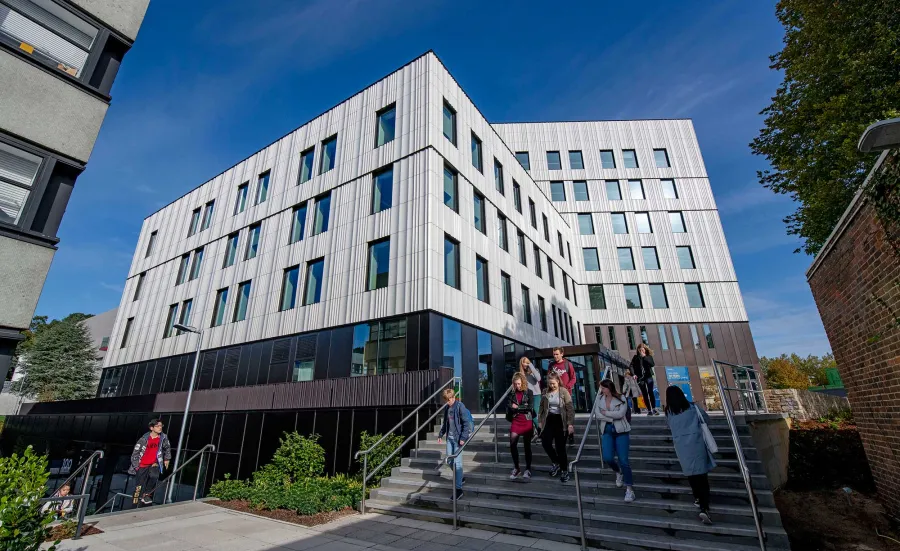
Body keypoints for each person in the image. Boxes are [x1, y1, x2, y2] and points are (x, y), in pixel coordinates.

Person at [664, 385, 717, 525]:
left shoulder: (669, 412)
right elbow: (706, 419)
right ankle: (704, 507)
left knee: (692, 475)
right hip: (697, 444)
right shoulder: (693, 408)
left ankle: (698, 498)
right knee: (702, 476)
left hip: (682, 447)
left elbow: (669, 426)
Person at [594, 379, 635, 502]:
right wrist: (611, 415)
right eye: (601, 388)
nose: (602, 390)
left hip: (621, 431)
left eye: (603, 388)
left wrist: (606, 413)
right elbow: (597, 414)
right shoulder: (599, 399)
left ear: (609, 387)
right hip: (606, 430)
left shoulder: (621, 398)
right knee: (607, 457)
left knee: (624, 460)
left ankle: (629, 489)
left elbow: (621, 414)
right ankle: (618, 472)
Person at [537, 372, 575, 483]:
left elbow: (570, 408)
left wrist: (570, 424)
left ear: (558, 381)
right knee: (545, 443)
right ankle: (556, 462)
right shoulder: (545, 392)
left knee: (560, 447)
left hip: (561, 421)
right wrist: (540, 421)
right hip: (549, 420)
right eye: (550, 384)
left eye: (553, 383)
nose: (552, 386)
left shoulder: (563, 392)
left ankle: (564, 470)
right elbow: (541, 407)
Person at [437, 388, 473, 499]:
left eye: (449, 399)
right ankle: (460, 477)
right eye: (446, 400)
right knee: (449, 461)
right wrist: (440, 434)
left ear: (453, 397)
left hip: (458, 439)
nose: (447, 402)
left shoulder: (459, 406)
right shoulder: (447, 408)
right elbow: (445, 423)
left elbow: (466, 423)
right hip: (450, 438)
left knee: (457, 463)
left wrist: (463, 438)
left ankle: (458, 490)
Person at [129, 419, 171, 506]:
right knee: (139, 487)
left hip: (153, 464)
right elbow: (135, 454)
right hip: (142, 465)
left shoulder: (163, 438)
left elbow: (167, 448)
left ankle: (146, 495)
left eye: (161, 426)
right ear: (151, 428)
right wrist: (137, 466)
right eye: (157, 426)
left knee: (154, 476)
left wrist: (167, 458)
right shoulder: (143, 439)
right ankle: (135, 503)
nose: (160, 428)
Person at [507, 373, 534, 480]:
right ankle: (517, 468)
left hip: (527, 420)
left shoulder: (529, 392)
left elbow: (530, 407)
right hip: (516, 420)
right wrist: (521, 407)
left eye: (519, 383)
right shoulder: (511, 393)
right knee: (512, 443)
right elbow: (509, 406)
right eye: (515, 384)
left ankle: (528, 469)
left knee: (527, 446)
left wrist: (517, 407)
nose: (517, 386)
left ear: (523, 382)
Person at [549, 347, 577, 444]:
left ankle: (570, 434)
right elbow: (549, 378)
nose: (555, 356)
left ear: (562, 354)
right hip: (555, 393)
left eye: (557, 354)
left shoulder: (568, 364)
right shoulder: (551, 365)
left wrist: (567, 386)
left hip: (566, 393)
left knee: (567, 413)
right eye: (554, 354)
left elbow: (573, 378)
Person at [631, 343, 659, 415]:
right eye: (640, 350)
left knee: (650, 391)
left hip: (648, 376)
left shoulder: (648, 356)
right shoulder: (635, 357)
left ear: (645, 350)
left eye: (642, 350)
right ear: (638, 350)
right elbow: (631, 366)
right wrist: (633, 374)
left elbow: (652, 364)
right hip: (640, 378)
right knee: (644, 393)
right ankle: (649, 410)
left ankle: (654, 408)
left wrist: (644, 357)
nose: (641, 351)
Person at [518, 356, 542, 435]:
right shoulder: (521, 374)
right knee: (528, 416)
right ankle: (533, 434)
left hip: (536, 395)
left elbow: (538, 379)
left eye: (526, 362)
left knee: (534, 416)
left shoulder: (534, 371)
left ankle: (541, 433)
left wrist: (530, 365)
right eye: (523, 362)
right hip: (527, 396)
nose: (525, 364)